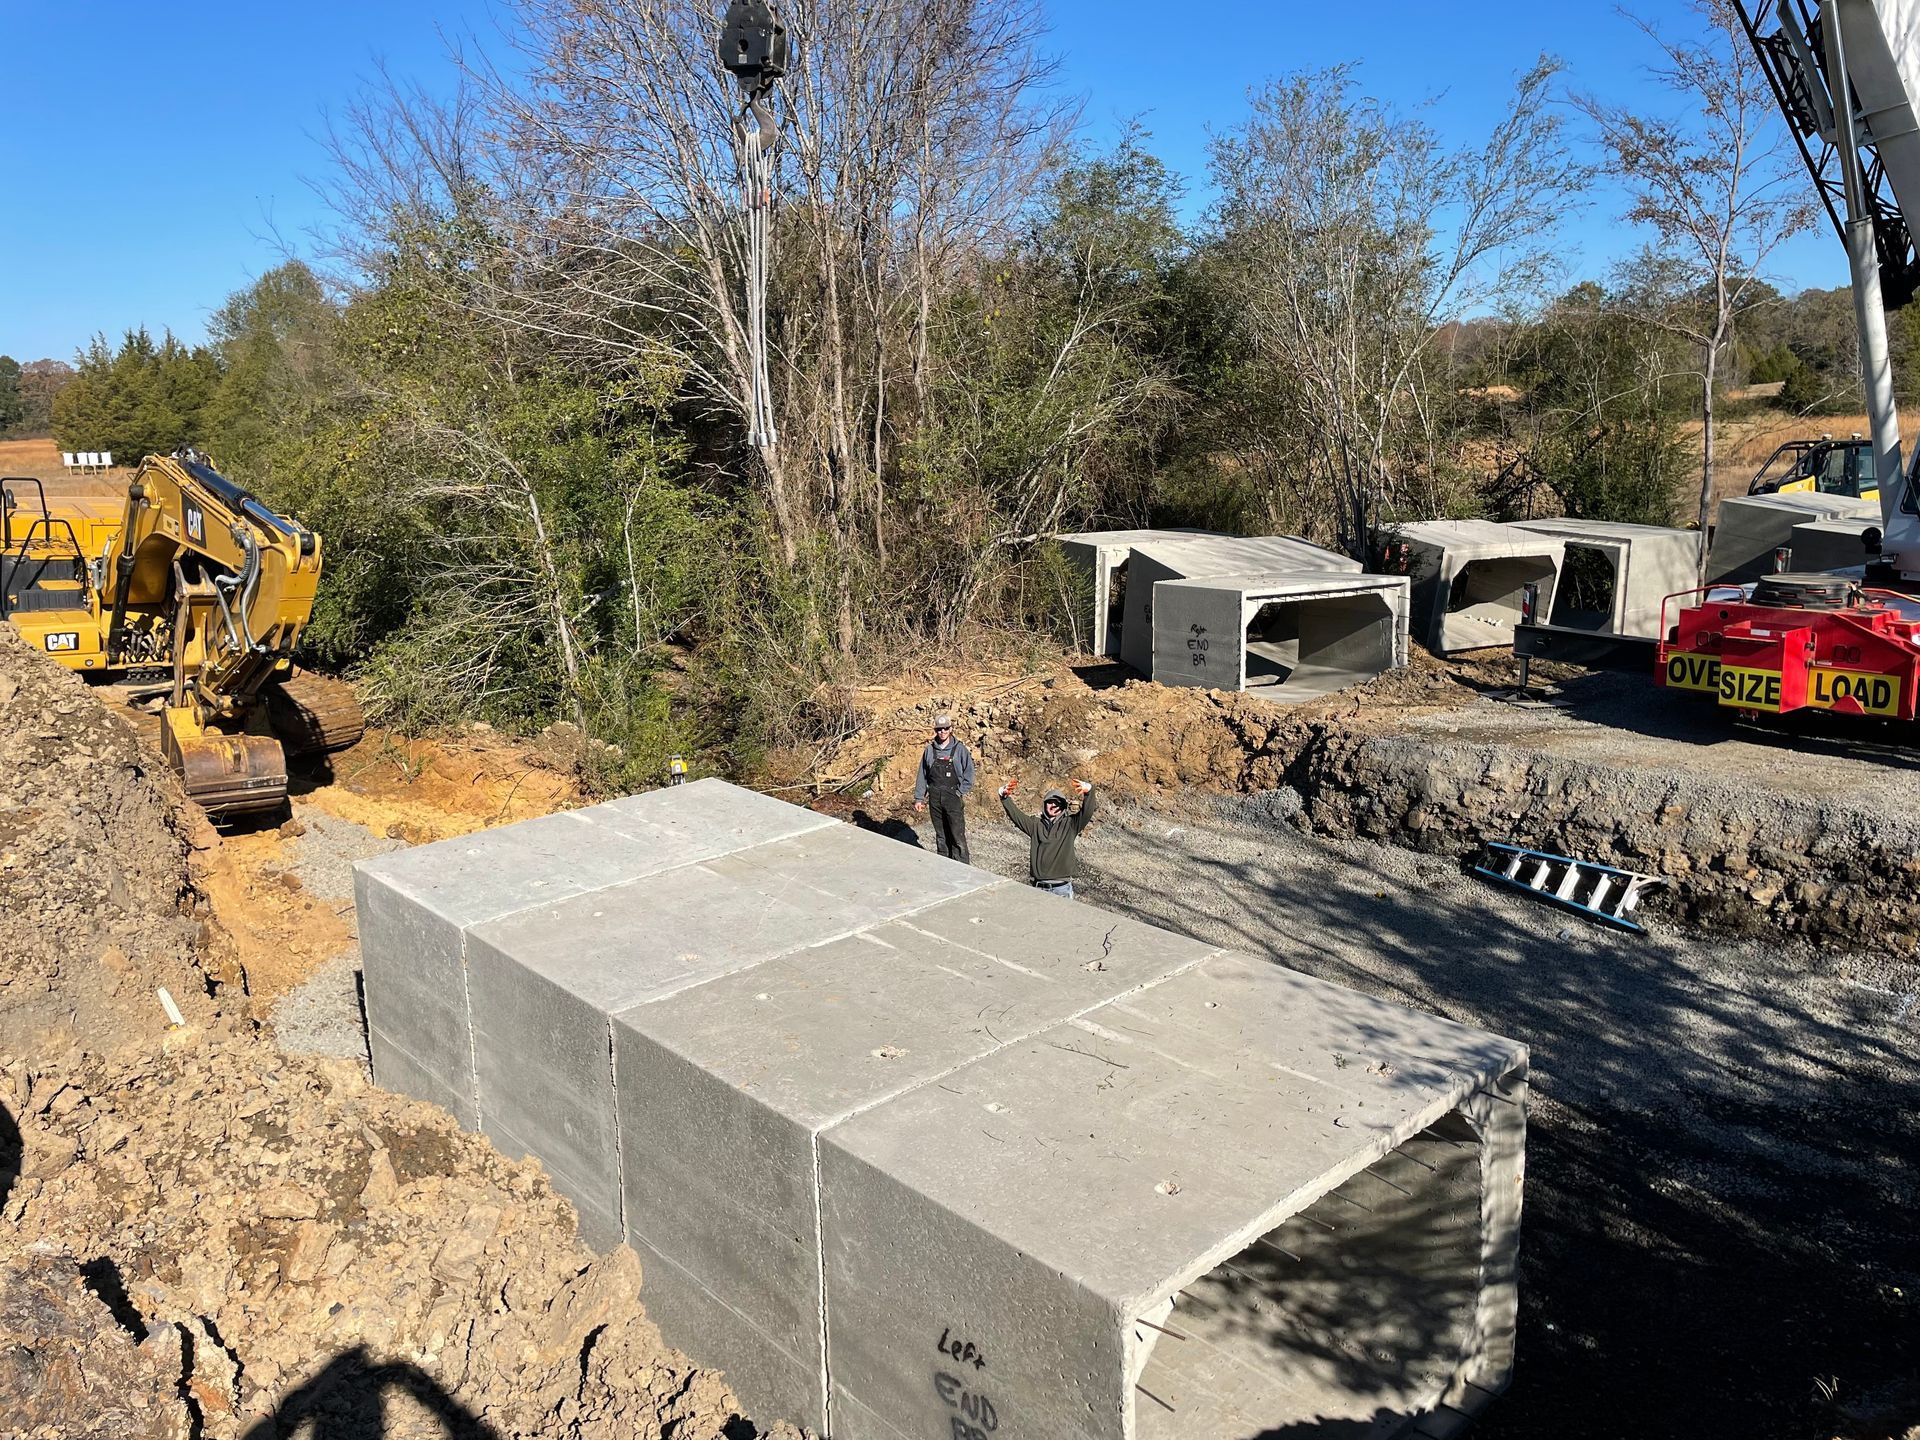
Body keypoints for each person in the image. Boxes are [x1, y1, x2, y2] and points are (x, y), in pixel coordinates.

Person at [999, 777, 1097, 899]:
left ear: (1063, 806)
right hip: (1038, 888)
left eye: (1057, 802)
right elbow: (1017, 816)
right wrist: (1004, 798)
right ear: (1045, 805)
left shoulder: (1071, 824)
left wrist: (1089, 791)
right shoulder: (1035, 825)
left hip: (1062, 889)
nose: (1053, 805)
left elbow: (1087, 812)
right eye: (1050, 802)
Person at [913, 714, 975, 862]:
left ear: (951, 729)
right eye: (939, 729)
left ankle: (962, 868)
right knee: (941, 835)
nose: (943, 732)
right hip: (935, 797)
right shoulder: (929, 750)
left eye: (946, 728)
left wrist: (960, 792)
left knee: (957, 835)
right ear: (936, 730)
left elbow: (969, 773)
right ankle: (944, 865)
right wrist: (919, 798)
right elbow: (922, 775)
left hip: (953, 797)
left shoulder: (960, 750)